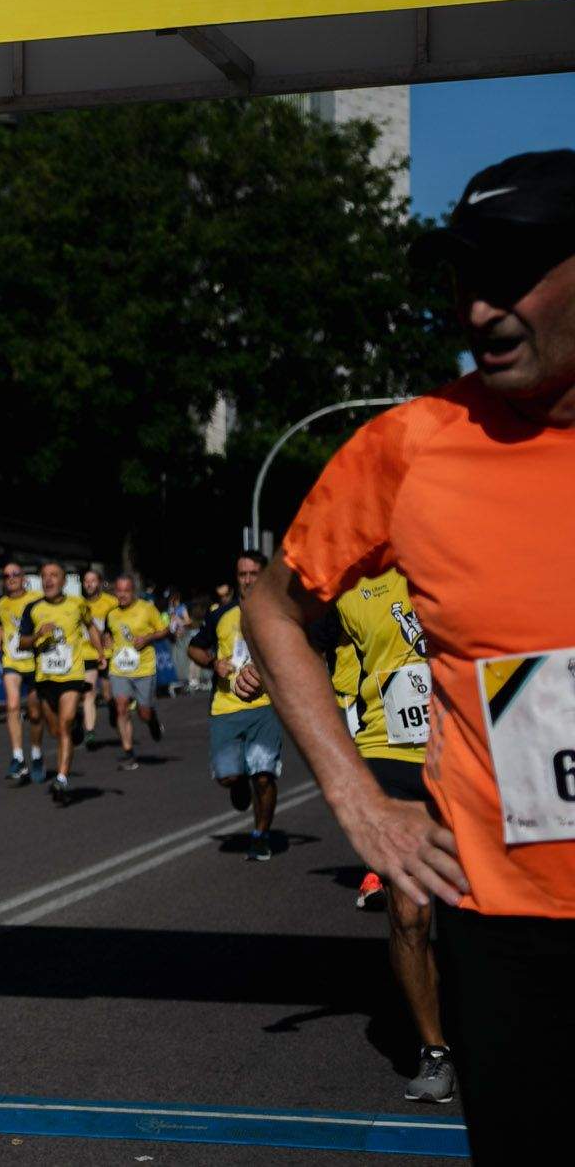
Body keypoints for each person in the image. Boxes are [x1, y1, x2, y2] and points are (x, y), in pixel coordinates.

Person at [241, 149, 575, 1160]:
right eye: (462, 284)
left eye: (509, 274)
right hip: (508, 923)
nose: (478, 312)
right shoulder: (412, 444)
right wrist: (355, 801)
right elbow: (271, 607)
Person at [319, 569, 453, 1103]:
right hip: (392, 753)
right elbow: (295, 633)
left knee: (482, 906)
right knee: (409, 913)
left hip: (471, 754)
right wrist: (258, 668)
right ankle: (435, 1050)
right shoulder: (352, 585)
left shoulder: (455, 553)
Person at [187, 551, 281, 862]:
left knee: (264, 775)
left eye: (254, 574)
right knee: (229, 776)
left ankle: (260, 835)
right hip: (226, 706)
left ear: (264, 576)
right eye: (242, 574)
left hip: (265, 706)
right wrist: (214, 663)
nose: (247, 580)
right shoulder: (222, 614)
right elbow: (194, 648)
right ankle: (238, 781)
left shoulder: (280, 613)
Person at [18, 562, 101, 800]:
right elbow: (21, 643)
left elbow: (91, 627)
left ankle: (62, 778)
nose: (49, 580)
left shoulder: (77, 604)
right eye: (44, 576)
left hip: (72, 675)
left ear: (64, 582)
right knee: (55, 729)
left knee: (63, 725)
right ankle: (75, 727)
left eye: (54, 576)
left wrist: (101, 653)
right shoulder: (33, 609)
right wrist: (37, 635)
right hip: (45, 679)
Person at [104, 574, 167, 771]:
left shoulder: (147, 609)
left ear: (133, 591)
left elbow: (164, 630)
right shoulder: (112, 614)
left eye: (126, 591)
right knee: (121, 706)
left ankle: (152, 720)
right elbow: (108, 634)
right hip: (119, 668)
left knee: (144, 712)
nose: (122, 595)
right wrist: (105, 649)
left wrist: (147, 638)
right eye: (118, 591)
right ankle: (129, 752)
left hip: (144, 668)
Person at [0, 563, 41, 783]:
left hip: (35, 662)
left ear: (23, 578)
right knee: (12, 705)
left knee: (35, 714)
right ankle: (18, 758)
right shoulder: (1, 604)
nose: (10, 578)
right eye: (6, 575)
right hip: (12, 660)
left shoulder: (37, 599)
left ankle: (37, 755)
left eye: (15, 574)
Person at [79, 567, 117, 749]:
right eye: (86, 581)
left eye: (92, 580)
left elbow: (119, 623)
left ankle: (112, 708)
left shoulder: (111, 602)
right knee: (89, 692)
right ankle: (90, 732)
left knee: (109, 693)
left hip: (108, 653)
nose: (89, 584)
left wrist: (110, 635)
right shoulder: (79, 604)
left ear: (100, 583)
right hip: (87, 653)